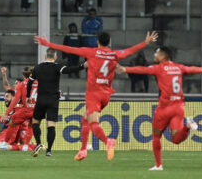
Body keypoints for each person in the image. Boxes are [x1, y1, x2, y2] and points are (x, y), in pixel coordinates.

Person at [34, 31, 158, 161]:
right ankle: (83, 150)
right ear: (109, 42)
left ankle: (107, 141)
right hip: (106, 95)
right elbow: (130, 51)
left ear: (97, 42)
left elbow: (69, 49)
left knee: (93, 123)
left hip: (94, 93)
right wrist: (146, 42)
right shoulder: (114, 54)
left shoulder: (91, 52)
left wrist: (47, 44)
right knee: (85, 118)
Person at [116, 46, 202, 171]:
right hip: (178, 107)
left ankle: (158, 165)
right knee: (176, 140)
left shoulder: (159, 68)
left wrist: (125, 69)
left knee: (156, 136)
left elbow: (142, 70)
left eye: (157, 53)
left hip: (164, 108)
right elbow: (190, 69)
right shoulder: (178, 67)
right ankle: (188, 126)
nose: (154, 55)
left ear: (163, 56)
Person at [26, 48, 88, 157]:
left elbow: (29, 83)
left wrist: (28, 96)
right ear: (55, 57)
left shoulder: (37, 67)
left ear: (45, 57)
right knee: (51, 125)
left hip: (41, 99)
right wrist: (82, 66)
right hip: (53, 100)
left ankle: (39, 143)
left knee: (35, 122)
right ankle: (49, 150)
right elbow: (68, 70)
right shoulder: (57, 66)